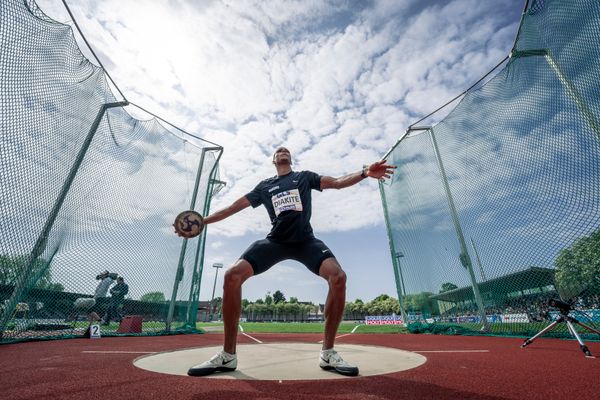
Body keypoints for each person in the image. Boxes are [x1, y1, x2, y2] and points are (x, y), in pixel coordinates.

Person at [179, 146, 395, 377]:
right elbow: (234, 207)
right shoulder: (265, 186)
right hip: (276, 242)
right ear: (274, 160)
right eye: (278, 151)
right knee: (232, 275)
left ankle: (328, 352)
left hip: (305, 241)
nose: (283, 151)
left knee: (338, 277)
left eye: (286, 150)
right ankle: (228, 356)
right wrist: (203, 222)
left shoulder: (304, 177)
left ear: (290, 159)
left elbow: (337, 182)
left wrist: (365, 172)